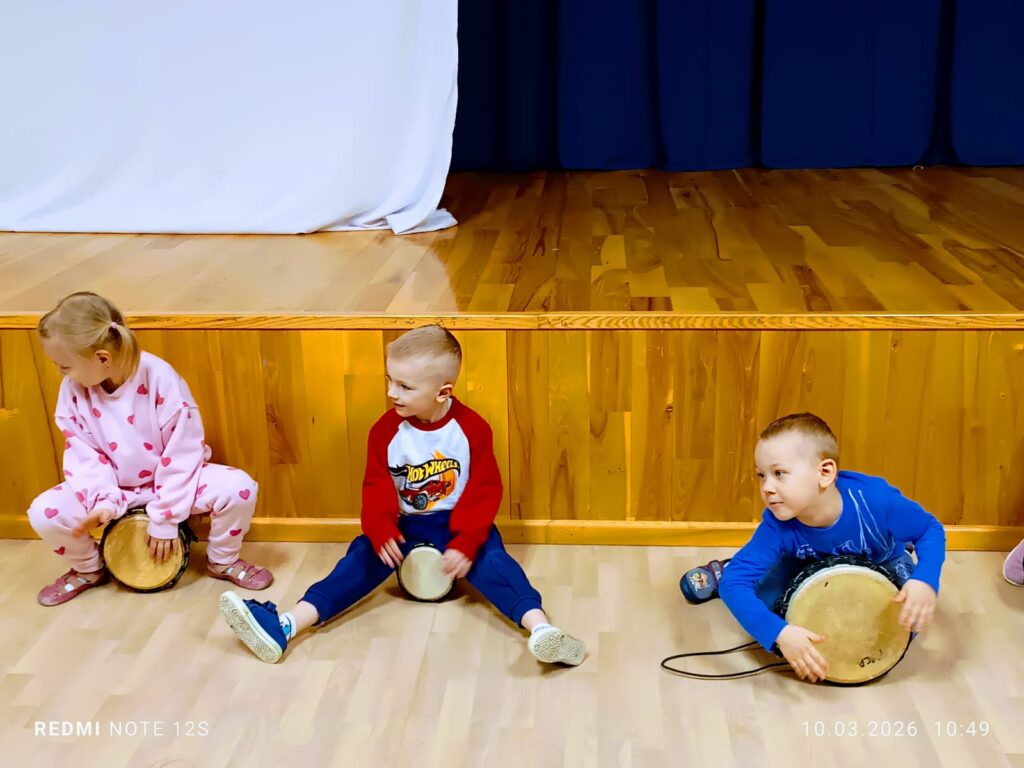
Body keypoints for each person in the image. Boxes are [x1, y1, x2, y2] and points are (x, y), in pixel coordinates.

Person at [219, 325, 585, 666]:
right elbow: (376, 489)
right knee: (357, 562)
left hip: (459, 526)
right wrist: (379, 531)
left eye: (405, 386)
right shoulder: (385, 431)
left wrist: (467, 541)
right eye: (390, 381)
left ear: (444, 391)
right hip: (406, 526)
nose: (391, 392)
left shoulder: (471, 429)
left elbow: (484, 491)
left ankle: (542, 629)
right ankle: (285, 626)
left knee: (495, 563)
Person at [28, 292, 272, 605]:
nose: (60, 373)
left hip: (172, 485)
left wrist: (167, 517)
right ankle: (89, 568)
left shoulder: (158, 377)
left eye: (63, 366)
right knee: (43, 514)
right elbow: (84, 455)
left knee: (239, 489)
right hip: (114, 489)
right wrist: (102, 502)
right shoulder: (73, 392)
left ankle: (222, 560)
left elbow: (184, 451)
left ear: (102, 358)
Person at [680, 413, 945, 682]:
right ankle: (729, 566)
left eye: (779, 473)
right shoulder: (778, 525)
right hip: (802, 563)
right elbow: (735, 584)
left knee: (904, 624)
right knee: (765, 600)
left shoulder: (876, 501)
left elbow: (929, 530)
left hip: (882, 561)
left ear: (825, 473)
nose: (766, 488)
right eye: (761, 475)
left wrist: (925, 580)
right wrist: (779, 633)